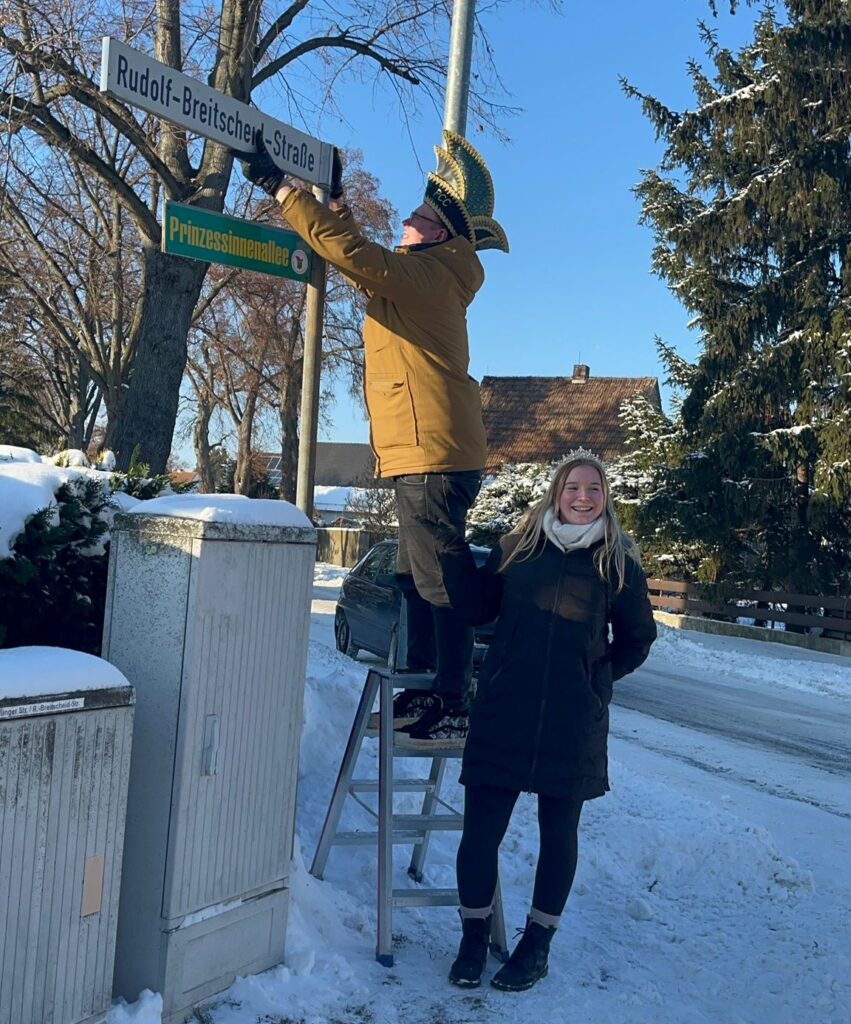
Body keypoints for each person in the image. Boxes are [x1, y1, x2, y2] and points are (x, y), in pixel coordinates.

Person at [238, 130, 508, 745]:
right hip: (424, 450)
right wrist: (335, 202)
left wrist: (281, 188)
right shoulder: (424, 276)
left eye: (417, 218)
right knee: (415, 572)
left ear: (439, 234)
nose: (406, 223)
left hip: (432, 452)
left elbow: (358, 258)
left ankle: (453, 695)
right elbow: (367, 271)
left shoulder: (431, 277)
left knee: (439, 574)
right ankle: (426, 678)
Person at [417, 450, 657, 991]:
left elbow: (638, 638)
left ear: (605, 498)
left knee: (558, 836)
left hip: (573, 722)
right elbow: (476, 609)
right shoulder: (518, 549)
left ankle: (537, 946)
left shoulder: (617, 563)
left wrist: (597, 680)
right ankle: (473, 938)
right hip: (505, 709)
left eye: (594, 488)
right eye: (573, 486)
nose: (582, 497)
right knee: (480, 834)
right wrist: (450, 546)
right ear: (556, 492)